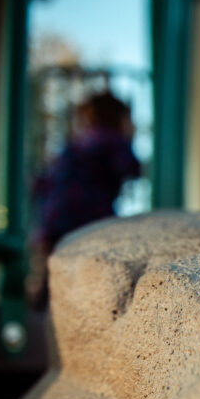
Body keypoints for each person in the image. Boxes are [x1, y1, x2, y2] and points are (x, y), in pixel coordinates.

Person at [29, 90, 141, 305]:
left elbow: (44, 183)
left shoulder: (75, 145)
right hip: (90, 216)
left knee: (49, 273)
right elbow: (131, 168)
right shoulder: (112, 139)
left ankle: (39, 304)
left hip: (53, 220)